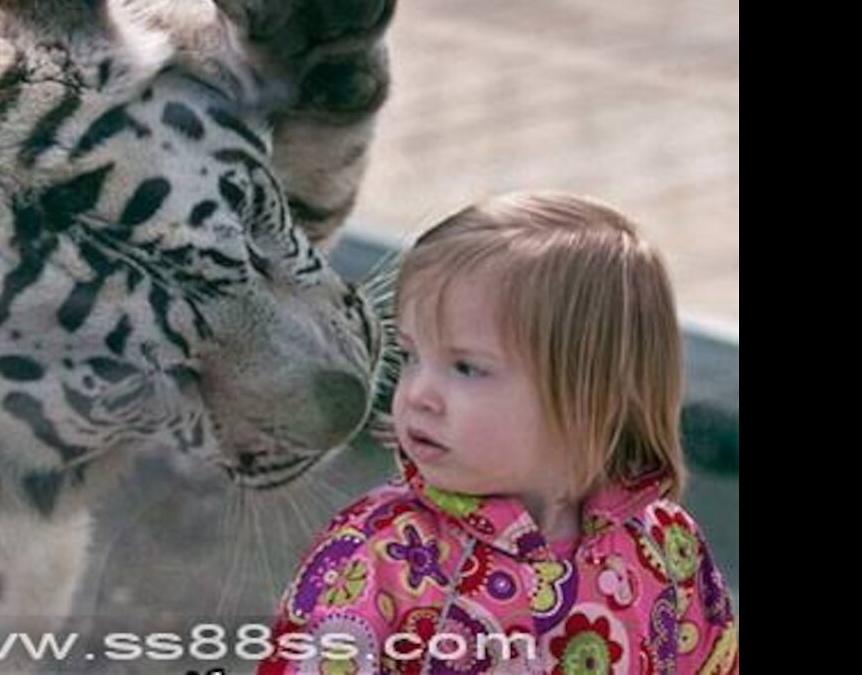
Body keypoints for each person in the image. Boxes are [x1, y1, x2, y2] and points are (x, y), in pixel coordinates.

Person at [257, 192, 738, 674]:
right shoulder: (378, 555)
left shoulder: (665, 547)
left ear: (591, 393)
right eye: (410, 355)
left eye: (465, 367)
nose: (418, 392)